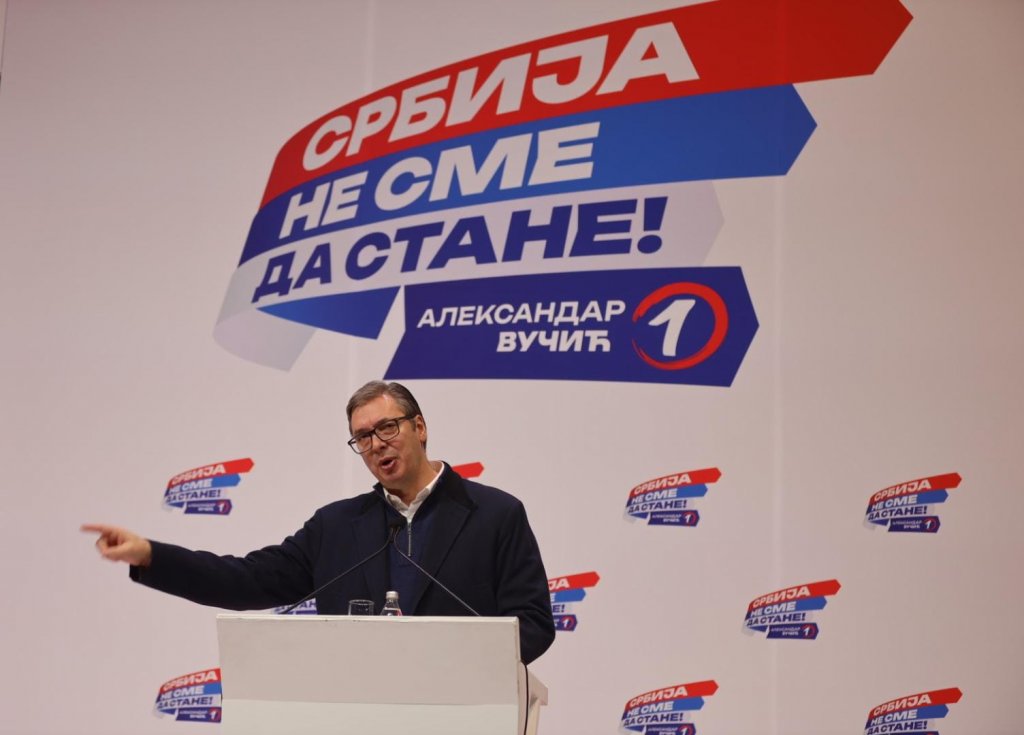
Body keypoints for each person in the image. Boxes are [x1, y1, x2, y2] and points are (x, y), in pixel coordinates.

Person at [82, 381, 555, 664]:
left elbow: (533, 625)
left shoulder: (495, 515)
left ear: (419, 427)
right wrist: (152, 556)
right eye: (362, 437)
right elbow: (247, 579)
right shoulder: (337, 527)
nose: (377, 444)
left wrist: (462, 665)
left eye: (387, 428)